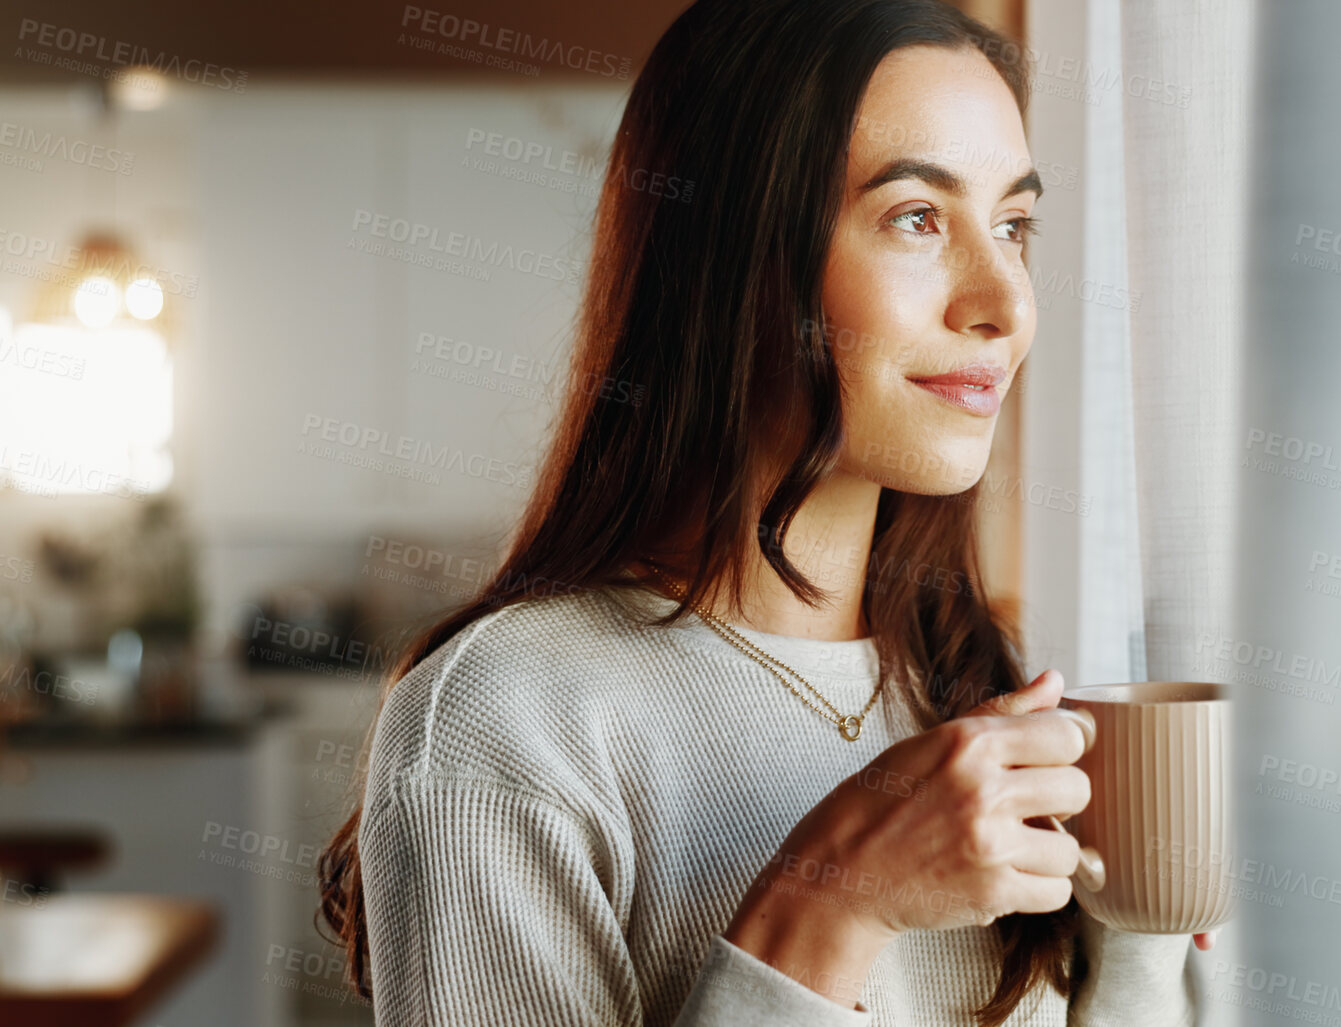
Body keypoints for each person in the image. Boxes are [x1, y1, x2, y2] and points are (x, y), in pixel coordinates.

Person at [316, 0, 1206, 1023]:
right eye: (917, 217)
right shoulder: (506, 718)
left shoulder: (972, 674)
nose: (1002, 301)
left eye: (1013, 225)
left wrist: (1142, 928)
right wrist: (825, 910)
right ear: (735, 256)